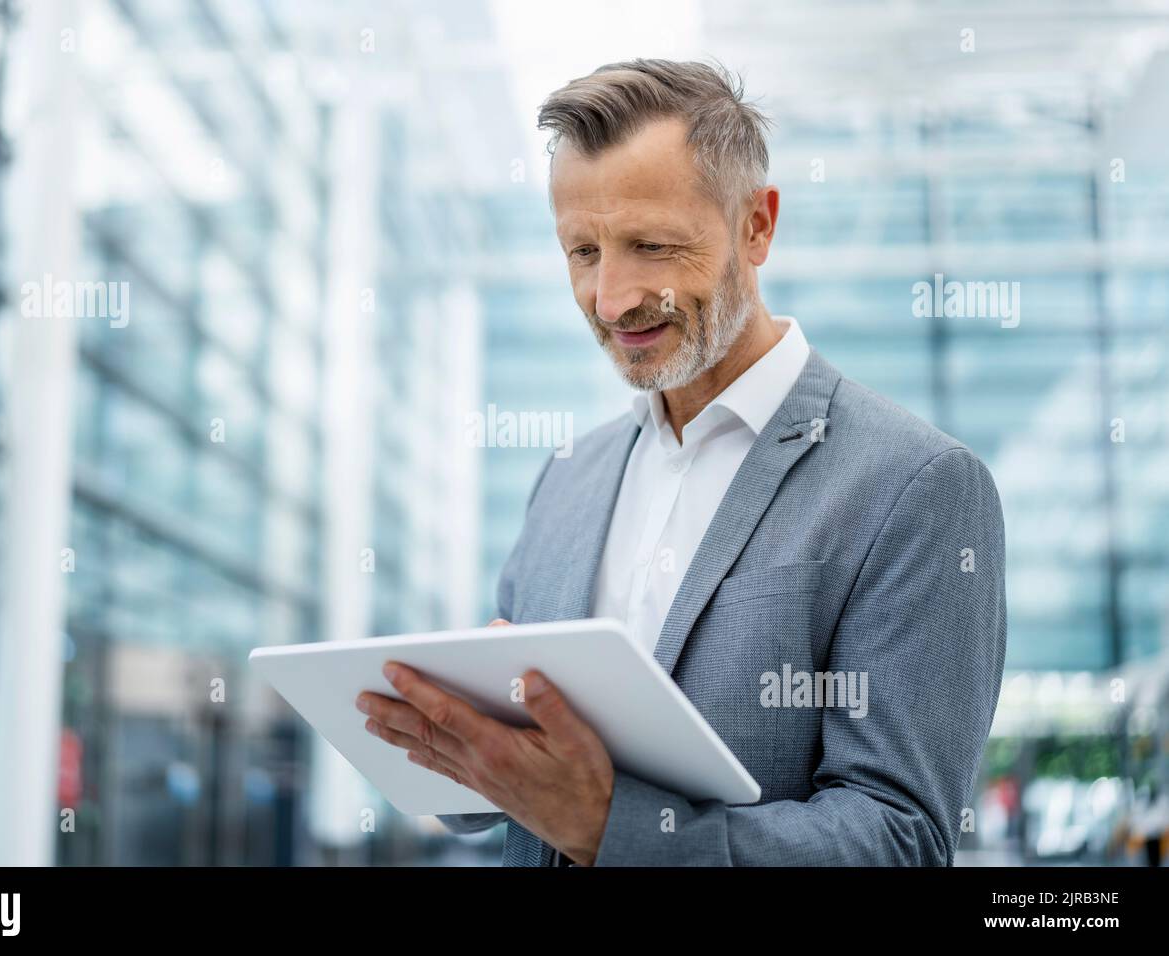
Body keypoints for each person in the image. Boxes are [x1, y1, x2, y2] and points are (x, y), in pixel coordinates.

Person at [355, 58, 1007, 866]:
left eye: (651, 246)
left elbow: (898, 838)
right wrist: (467, 740)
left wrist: (610, 827)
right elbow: (521, 797)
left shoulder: (917, 487)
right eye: (582, 251)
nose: (612, 298)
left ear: (757, 226)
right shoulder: (569, 477)